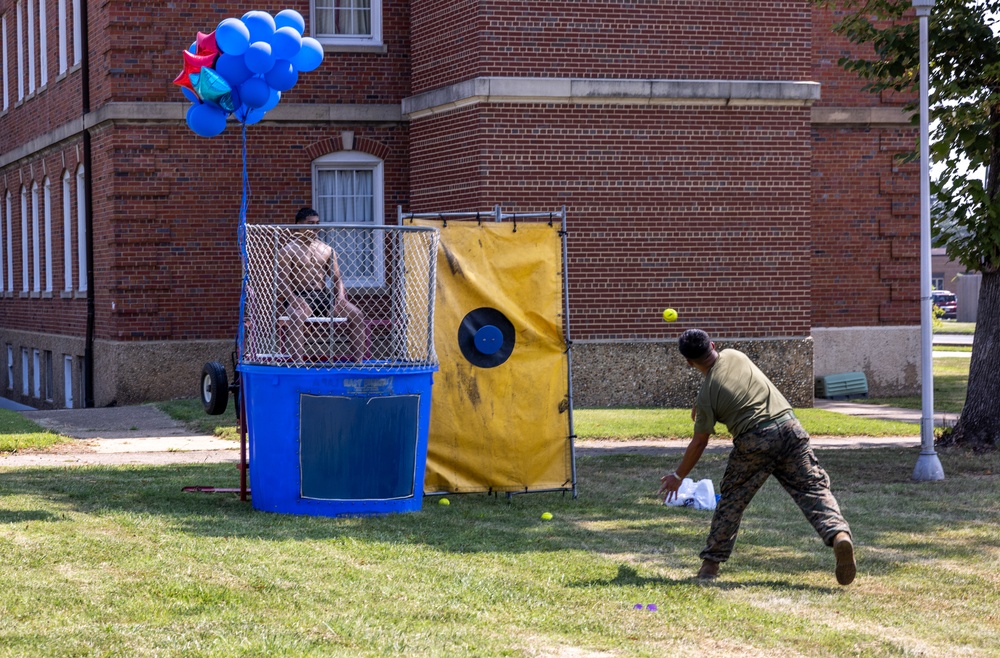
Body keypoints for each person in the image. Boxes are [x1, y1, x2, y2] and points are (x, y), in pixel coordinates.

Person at [658, 328, 856, 585]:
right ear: (713, 345)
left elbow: (699, 442)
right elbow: (734, 384)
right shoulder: (735, 355)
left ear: (688, 362)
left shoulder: (707, 396)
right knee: (812, 489)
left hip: (755, 440)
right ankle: (838, 534)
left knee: (732, 500)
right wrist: (701, 403)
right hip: (791, 428)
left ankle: (710, 566)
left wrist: (678, 476)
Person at [277, 207, 367, 361]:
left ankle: (359, 363)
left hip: (322, 296)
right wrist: (292, 299)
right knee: (296, 316)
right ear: (299, 225)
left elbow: (337, 279)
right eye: (310, 223)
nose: (316, 227)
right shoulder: (288, 251)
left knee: (356, 314)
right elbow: (281, 281)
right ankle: (298, 366)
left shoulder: (326, 249)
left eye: (317, 223)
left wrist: (340, 296)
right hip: (300, 296)